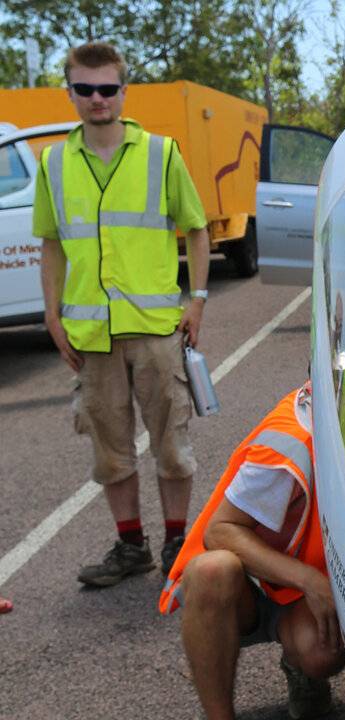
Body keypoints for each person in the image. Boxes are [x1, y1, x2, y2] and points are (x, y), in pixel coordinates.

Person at [158, 337, 345, 719]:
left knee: (323, 651)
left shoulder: (343, 422)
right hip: (244, 586)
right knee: (212, 570)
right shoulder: (292, 444)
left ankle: (301, 670)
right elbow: (221, 531)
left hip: (290, 586)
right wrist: (310, 582)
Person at [34, 41, 211, 586]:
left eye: (107, 88)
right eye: (85, 89)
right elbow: (52, 245)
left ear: (123, 91)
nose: (97, 98)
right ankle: (131, 547)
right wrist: (51, 316)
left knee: (171, 445)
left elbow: (197, 228)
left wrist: (198, 299)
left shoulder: (160, 154)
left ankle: (177, 543)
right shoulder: (54, 163)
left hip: (155, 330)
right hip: (91, 335)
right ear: (70, 92)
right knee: (110, 452)